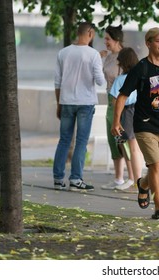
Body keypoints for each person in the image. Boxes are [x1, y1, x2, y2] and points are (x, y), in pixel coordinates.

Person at [112, 27, 159, 220]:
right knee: (155, 165)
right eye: (158, 41)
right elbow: (122, 96)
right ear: (148, 44)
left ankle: (143, 184)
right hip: (145, 124)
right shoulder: (140, 68)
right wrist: (116, 122)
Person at [53, 22, 105, 192]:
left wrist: (59, 103)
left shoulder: (63, 53)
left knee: (64, 140)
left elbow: (57, 82)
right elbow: (100, 81)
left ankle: (58, 179)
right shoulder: (93, 54)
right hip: (85, 103)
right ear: (89, 33)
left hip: (66, 102)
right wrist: (98, 63)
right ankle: (75, 179)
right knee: (81, 141)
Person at [100, 25, 134, 191]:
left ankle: (131, 177)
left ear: (117, 39)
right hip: (109, 98)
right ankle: (118, 177)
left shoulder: (125, 56)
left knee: (123, 138)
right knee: (112, 139)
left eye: (108, 39)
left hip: (121, 100)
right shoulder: (107, 56)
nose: (105, 42)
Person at [110, 47, 144, 190]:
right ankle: (138, 179)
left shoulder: (120, 80)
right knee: (137, 148)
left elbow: (114, 101)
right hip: (140, 111)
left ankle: (135, 180)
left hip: (127, 113)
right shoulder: (141, 76)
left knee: (130, 147)